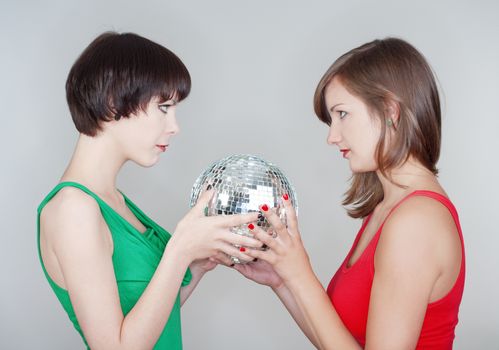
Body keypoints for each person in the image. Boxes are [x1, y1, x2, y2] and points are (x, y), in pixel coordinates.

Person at [37, 32, 263, 350]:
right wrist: (180, 249)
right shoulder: (73, 209)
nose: (175, 126)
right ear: (114, 101)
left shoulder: (114, 202)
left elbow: (153, 318)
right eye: (165, 107)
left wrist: (198, 265)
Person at [236, 38, 465, 349]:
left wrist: (300, 273)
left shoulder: (416, 222)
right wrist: (283, 279)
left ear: (390, 111)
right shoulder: (387, 209)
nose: (332, 136)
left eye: (342, 114)